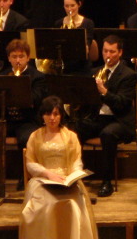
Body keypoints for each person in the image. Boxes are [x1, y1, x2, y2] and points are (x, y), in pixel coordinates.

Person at [21, 95, 98, 239]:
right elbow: (30, 163)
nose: (52, 118)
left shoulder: (71, 136)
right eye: (48, 114)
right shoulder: (34, 136)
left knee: (73, 204)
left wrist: (73, 175)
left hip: (66, 179)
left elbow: (76, 160)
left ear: (61, 115)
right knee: (45, 204)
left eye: (56, 114)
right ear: (42, 115)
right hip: (43, 180)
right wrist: (47, 174)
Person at [76, 35, 137, 198]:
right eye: (105, 51)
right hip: (100, 119)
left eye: (112, 51)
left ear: (120, 52)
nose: (108, 55)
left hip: (120, 121)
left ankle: (107, 181)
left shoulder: (128, 75)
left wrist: (103, 91)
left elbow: (122, 104)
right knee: (76, 127)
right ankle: (76, 174)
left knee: (107, 134)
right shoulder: (95, 72)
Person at [0, 39, 45, 189]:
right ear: (9, 58)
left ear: (28, 57)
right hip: (7, 119)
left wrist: (19, 88)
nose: (18, 60)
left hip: (27, 120)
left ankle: (24, 175)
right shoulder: (2, 76)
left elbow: (36, 99)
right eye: (14, 57)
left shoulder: (37, 77)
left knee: (26, 138)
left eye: (21, 56)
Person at [54, 0, 98, 66]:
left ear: (79, 4)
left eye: (72, 5)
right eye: (66, 6)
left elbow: (86, 49)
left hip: (82, 65)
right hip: (64, 64)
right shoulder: (58, 23)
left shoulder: (88, 23)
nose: (69, 9)